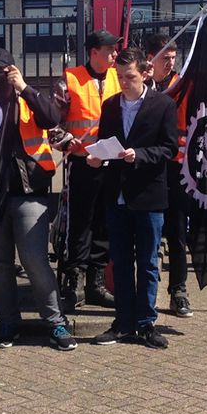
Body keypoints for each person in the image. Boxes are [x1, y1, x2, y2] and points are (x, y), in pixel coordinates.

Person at [0, 47, 77, 351]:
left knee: (35, 262)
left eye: (0, 72)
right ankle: (8, 324)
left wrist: (24, 88)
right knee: (0, 265)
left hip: (29, 195)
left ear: (12, 71)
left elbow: (51, 117)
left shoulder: (27, 100)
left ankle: (56, 324)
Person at [88, 47, 179, 349]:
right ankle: (123, 322)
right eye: (119, 77)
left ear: (144, 74)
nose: (124, 82)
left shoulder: (163, 104)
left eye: (129, 77)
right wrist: (98, 158)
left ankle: (146, 323)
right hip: (117, 195)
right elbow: (104, 142)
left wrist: (139, 155)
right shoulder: (111, 105)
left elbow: (168, 148)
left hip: (148, 194)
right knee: (122, 262)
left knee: (149, 262)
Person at [52, 30, 121, 311]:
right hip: (81, 164)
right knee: (79, 225)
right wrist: (70, 142)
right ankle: (75, 283)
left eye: (115, 50)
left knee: (104, 224)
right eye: (109, 50)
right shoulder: (69, 82)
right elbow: (50, 125)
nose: (115, 54)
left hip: (112, 164)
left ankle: (96, 284)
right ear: (93, 52)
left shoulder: (121, 79)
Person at [144, 33, 192, 318]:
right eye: (165, 57)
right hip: (147, 165)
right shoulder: (142, 84)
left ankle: (179, 290)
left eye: (174, 57)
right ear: (152, 57)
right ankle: (145, 292)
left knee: (177, 231)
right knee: (147, 231)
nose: (170, 62)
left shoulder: (184, 84)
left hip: (176, 165)